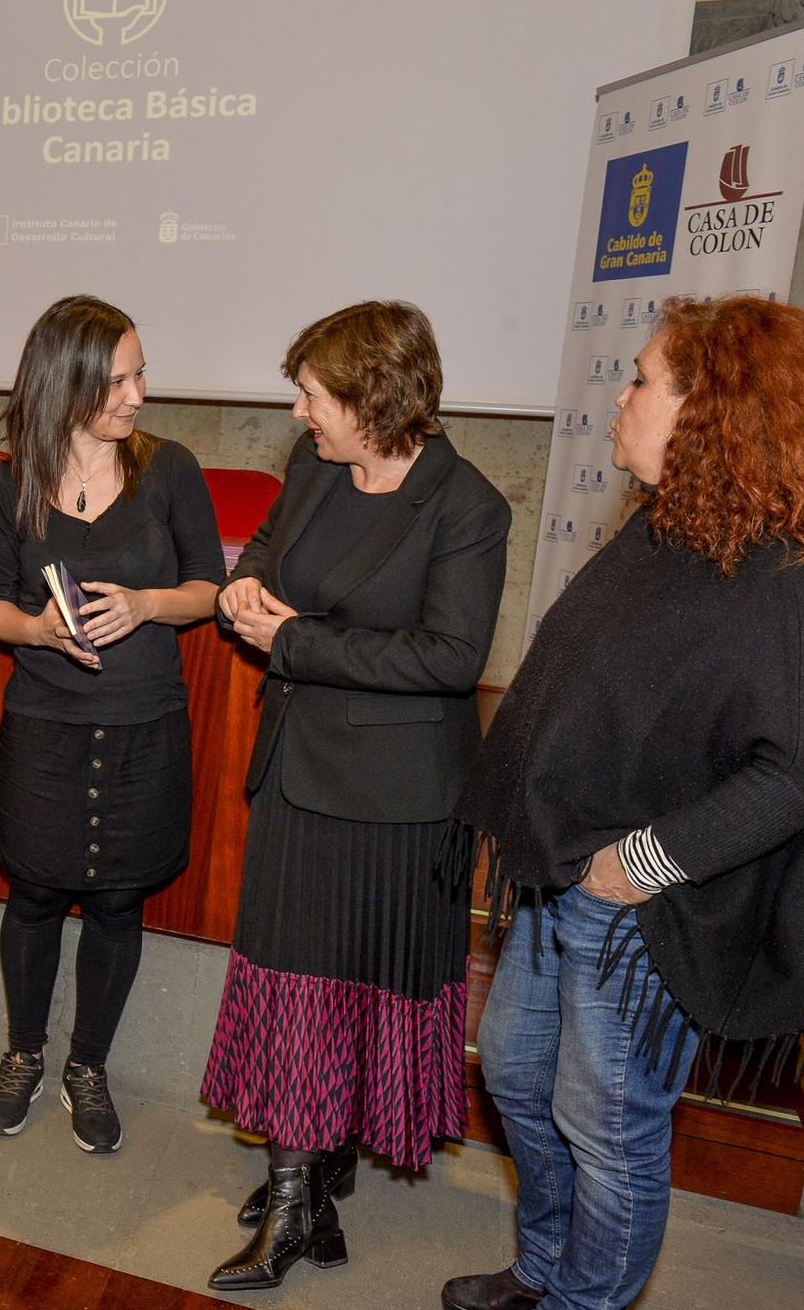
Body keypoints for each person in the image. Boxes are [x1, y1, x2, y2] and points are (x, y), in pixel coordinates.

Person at [447, 296, 804, 1310]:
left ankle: (582, 1299)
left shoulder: (789, 577)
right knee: (517, 1076)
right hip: (561, 872)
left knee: (604, 1123)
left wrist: (640, 864)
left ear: (710, 410)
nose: (616, 399)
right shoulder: (671, 529)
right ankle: (542, 1267)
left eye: (639, 380)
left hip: (648, 910)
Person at [199, 301, 510, 1291]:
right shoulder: (313, 468)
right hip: (296, 769)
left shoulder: (465, 506)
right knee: (290, 980)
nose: (298, 414)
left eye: (313, 396)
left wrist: (290, 639)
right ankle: (298, 1181)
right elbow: (264, 556)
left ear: (374, 402)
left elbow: (448, 658)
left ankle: (306, 1186)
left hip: (397, 795)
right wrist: (241, 591)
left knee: (352, 988)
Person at [0, 294, 224, 1153]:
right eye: (119, 378)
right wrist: (39, 628)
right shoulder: (12, 479)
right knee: (35, 894)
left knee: (118, 901)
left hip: (143, 723)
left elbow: (210, 590)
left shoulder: (171, 469)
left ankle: (88, 1064)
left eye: (140, 372)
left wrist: (151, 603)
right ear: (67, 381)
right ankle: (23, 1054)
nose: (138, 393)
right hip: (43, 723)